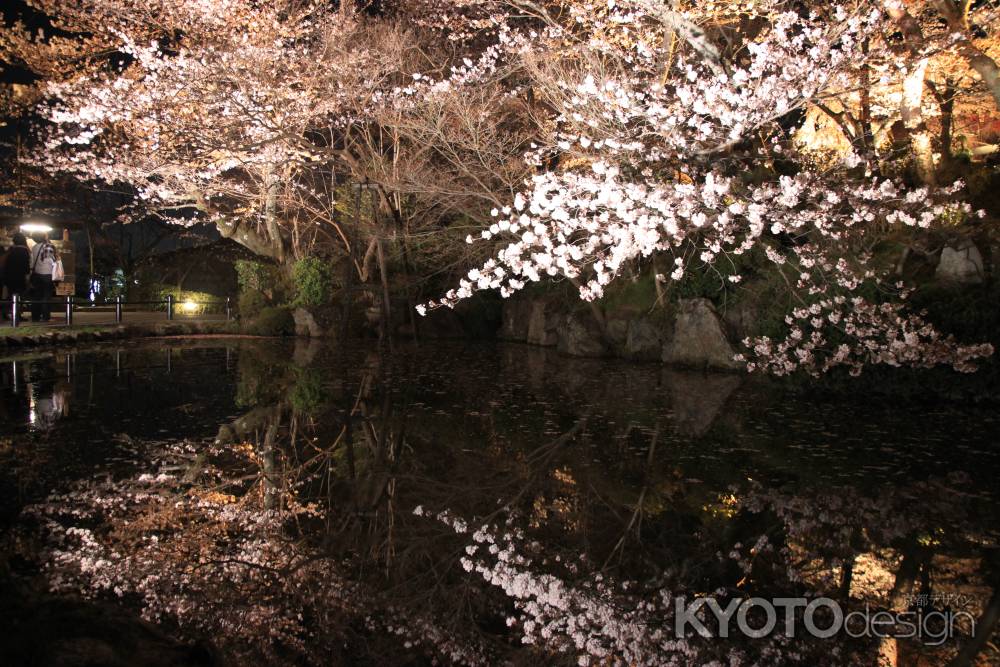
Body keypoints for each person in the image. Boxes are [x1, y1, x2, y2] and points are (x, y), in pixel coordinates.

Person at [29, 232, 58, 322]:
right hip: (47, 274)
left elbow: (32, 262)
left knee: (37, 296)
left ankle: (35, 316)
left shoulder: (34, 247)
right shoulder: (49, 246)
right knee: (46, 296)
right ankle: (46, 317)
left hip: (37, 274)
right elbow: (51, 260)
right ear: (45, 237)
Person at [2, 233, 31, 321]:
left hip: (9, 277)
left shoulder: (11, 250)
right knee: (19, 296)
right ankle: (17, 315)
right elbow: (26, 266)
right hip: (19, 277)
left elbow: (6, 264)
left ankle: (5, 312)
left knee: (11, 295)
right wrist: (27, 277)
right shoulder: (25, 251)